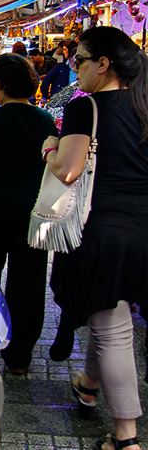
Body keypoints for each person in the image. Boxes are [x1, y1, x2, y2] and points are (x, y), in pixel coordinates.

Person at [43, 27, 147, 450]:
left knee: (112, 328)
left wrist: (50, 147)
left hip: (103, 229)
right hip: (142, 228)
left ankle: (126, 436)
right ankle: (87, 384)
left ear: (103, 65)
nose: (74, 67)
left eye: (80, 59)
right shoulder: (143, 106)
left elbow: (67, 171)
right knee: (110, 311)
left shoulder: (87, 108)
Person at [0, 53, 56, 375]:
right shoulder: (45, 120)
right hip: (34, 216)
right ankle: (20, 357)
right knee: (29, 284)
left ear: (2, 85)